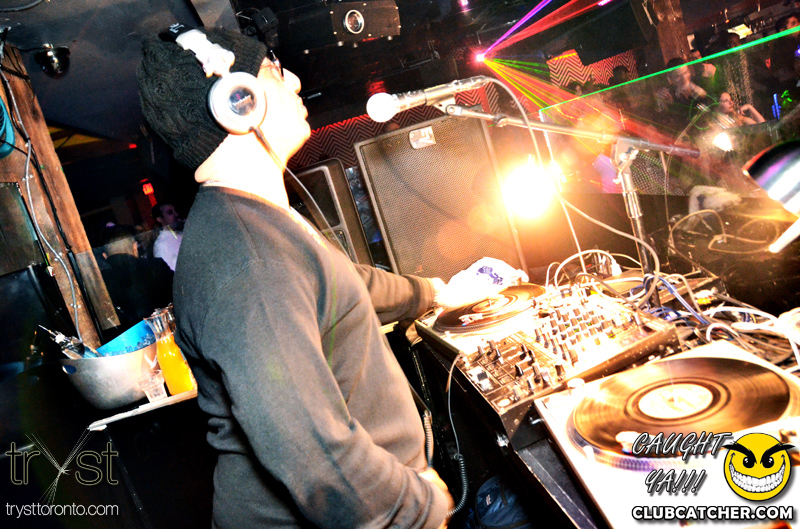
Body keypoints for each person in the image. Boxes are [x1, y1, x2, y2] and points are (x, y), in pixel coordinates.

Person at [137, 26, 457, 528]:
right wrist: (418, 508)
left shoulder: (255, 219)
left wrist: (432, 291)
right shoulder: (248, 261)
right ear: (238, 103)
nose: (295, 81)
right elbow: (314, 455)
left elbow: (345, 284)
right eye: (274, 71)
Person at [99, 223, 173, 330]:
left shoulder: (101, 282)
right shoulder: (156, 266)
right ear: (135, 247)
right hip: (166, 331)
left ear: (105, 256)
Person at [151, 202, 183, 271]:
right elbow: (167, 273)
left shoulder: (180, 233)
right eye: (170, 212)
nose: (176, 214)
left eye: (175, 211)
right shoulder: (161, 244)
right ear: (159, 219)